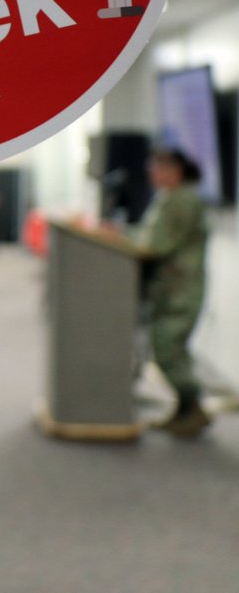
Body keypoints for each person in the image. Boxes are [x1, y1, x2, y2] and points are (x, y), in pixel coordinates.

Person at [128, 149, 211, 438]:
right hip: (169, 288)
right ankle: (186, 412)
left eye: (157, 168)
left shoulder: (183, 200)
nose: (151, 174)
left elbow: (159, 245)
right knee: (171, 350)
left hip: (180, 290)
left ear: (173, 170)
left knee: (167, 349)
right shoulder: (170, 197)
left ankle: (193, 407)